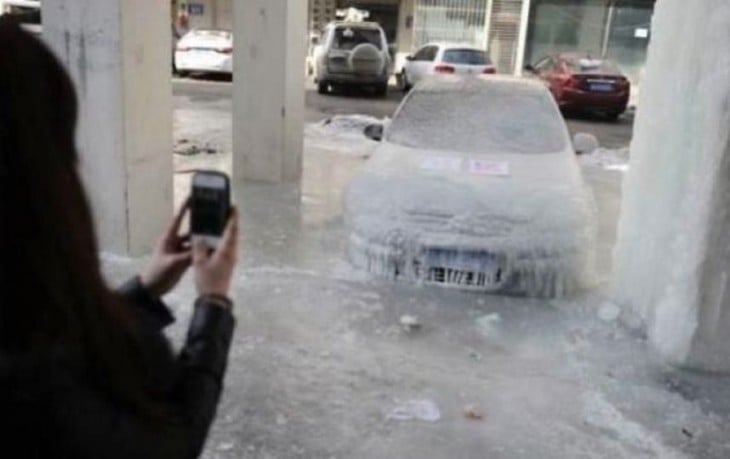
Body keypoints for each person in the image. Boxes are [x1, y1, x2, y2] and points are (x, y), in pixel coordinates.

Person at [0, 19, 238, 458]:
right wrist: (214, 306)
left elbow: (61, 341)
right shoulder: (31, 381)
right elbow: (171, 444)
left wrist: (146, 289)